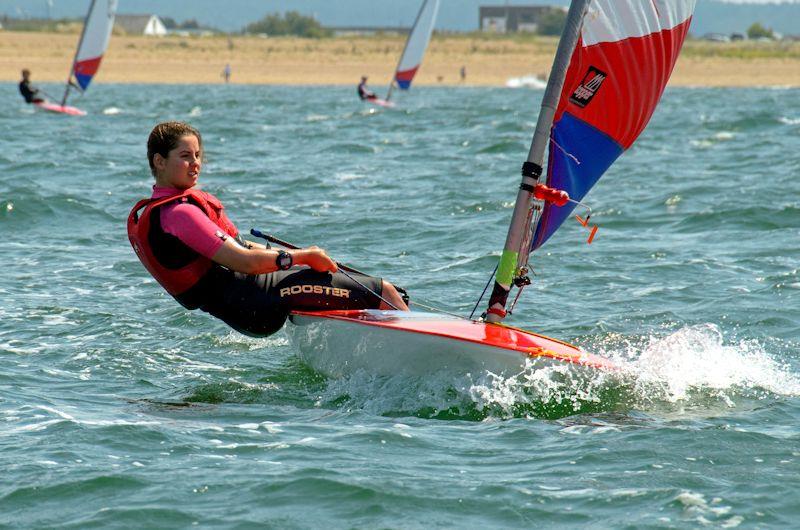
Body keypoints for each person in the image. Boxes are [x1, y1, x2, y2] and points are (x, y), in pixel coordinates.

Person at [128, 121, 409, 337]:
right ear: (159, 161)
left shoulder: (165, 211)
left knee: (368, 285)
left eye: (198, 155)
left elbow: (241, 247)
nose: (196, 163)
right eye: (185, 156)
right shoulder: (179, 214)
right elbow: (242, 262)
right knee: (384, 292)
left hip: (247, 301)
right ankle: (426, 359)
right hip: (255, 301)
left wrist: (295, 257)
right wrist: (303, 257)